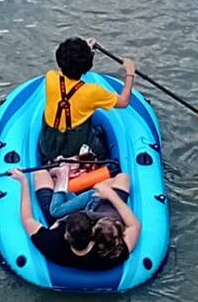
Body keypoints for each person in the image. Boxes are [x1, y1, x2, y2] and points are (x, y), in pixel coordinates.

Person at [8, 168, 140, 271]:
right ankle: (67, 186)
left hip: (74, 213)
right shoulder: (109, 251)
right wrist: (111, 195)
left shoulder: (51, 244)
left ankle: (62, 181)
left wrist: (23, 182)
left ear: (66, 235)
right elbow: (135, 226)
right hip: (97, 209)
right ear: (93, 231)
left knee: (41, 173)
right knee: (123, 178)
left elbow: (27, 219)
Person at [38, 37, 137, 162]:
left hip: (49, 146)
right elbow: (124, 102)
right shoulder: (93, 92)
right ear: (87, 67)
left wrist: (86, 50)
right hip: (77, 150)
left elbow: (67, 65)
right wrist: (130, 73)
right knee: (102, 149)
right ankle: (99, 162)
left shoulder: (50, 77)